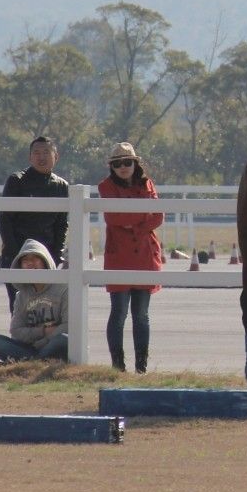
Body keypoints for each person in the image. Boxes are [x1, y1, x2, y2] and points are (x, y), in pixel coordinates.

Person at [98, 142, 163, 373]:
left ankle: (141, 367)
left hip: (145, 255)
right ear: (111, 167)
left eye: (127, 162)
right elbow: (114, 218)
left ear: (136, 163)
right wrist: (141, 219)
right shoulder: (105, 187)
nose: (123, 167)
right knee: (118, 313)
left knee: (141, 315)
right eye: (117, 164)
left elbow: (158, 216)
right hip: (120, 256)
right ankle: (118, 366)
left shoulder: (147, 183)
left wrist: (132, 223)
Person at [0, 136, 69, 314]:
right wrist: (17, 255)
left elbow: (61, 224)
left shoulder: (61, 186)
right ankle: (19, 340)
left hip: (46, 256)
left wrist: (56, 255)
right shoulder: (17, 181)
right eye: (36, 153)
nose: (41, 157)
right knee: (19, 306)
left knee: (45, 308)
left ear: (56, 157)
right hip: (17, 254)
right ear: (30, 157)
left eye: (46, 152)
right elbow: (4, 219)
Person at [0, 239, 68, 364]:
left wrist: (41, 342)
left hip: (51, 344)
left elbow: (67, 326)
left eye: (35, 258)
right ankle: (38, 362)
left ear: (45, 261)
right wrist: (43, 331)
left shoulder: (63, 289)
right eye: (25, 260)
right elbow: (16, 331)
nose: (30, 263)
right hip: (29, 347)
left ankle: (27, 363)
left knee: (63, 340)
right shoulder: (21, 295)